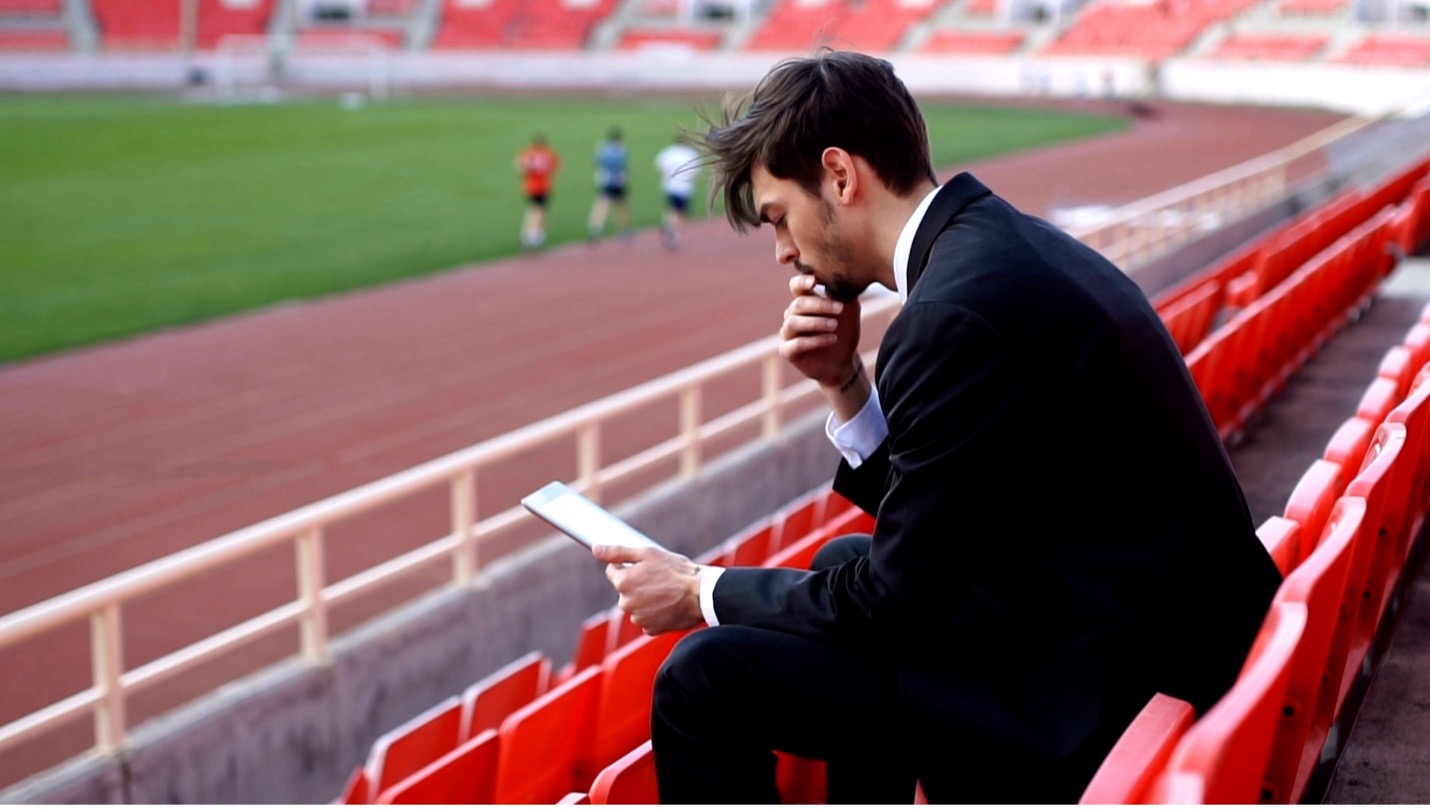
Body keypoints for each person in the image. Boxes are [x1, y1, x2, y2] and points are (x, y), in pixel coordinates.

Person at [593, 50, 1282, 804]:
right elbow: (944, 522)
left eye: (779, 218)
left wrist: (700, 590)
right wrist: (845, 383)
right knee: (836, 556)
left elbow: (891, 602)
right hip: (1154, 630)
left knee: (702, 678)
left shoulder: (949, 316)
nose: (785, 251)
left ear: (840, 176)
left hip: (1101, 690)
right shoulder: (994, 250)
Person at [654, 133, 701, 250]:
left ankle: (669, 227)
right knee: (680, 211)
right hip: (684, 188)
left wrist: (667, 174)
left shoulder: (669, 152)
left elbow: (658, 165)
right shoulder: (690, 154)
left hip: (669, 186)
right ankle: (672, 232)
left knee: (672, 209)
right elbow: (695, 172)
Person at [514, 133, 560, 249]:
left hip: (530, 186)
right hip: (543, 186)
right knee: (540, 210)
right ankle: (535, 235)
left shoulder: (528, 153)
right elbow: (555, 169)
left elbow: (519, 167)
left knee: (533, 209)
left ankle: (528, 234)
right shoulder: (549, 154)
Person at [587, 127, 633, 243]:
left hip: (604, 180)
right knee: (621, 206)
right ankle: (623, 230)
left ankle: (595, 228)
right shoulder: (621, 150)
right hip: (617, 181)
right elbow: (622, 166)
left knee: (602, 204)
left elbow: (597, 163)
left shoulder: (602, 148)